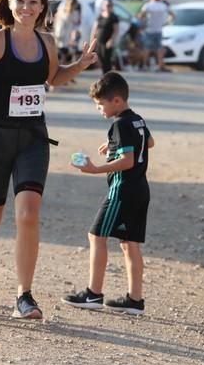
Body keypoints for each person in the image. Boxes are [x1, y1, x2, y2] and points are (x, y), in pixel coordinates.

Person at [0, 0, 98, 319]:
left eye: (33, 2)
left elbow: (52, 77)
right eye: (20, 1)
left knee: (29, 213)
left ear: (43, 7)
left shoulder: (46, 41)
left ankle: (25, 296)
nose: (26, 8)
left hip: (33, 138)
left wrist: (78, 66)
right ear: (9, 4)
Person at [62, 71, 154, 315]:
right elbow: (149, 143)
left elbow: (127, 160)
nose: (99, 109)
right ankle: (135, 300)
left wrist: (96, 169)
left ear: (116, 101)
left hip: (122, 189)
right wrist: (112, 145)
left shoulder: (120, 124)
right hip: (141, 189)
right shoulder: (137, 120)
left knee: (96, 235)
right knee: (129, 243)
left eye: (100, 104)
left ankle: (93, 294)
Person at [138, 0, 174, 72]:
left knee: (147, 49)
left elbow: (141, 16)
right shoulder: (163, 5)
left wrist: (143, 22)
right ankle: (160, 66)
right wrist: (167, 22)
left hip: (149, 30)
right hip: (159, 30)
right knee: (159, 49)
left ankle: (144, 65)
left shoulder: (148, 5)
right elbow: (172, 15)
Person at [91, 0, 120, 74]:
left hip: (107, 42)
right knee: (100, 59)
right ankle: (104, 75)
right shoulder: (100, 16)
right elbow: (94, 29)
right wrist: (92, 40)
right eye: (107, 5)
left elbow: (116, 30)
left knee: (107, 61)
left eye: (110, 5)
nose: (108, 7)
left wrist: (111, 40)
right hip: (99, 41)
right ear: (103, 6)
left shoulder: (114, 17)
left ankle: (108, 76)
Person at [53, 0, 82, 66]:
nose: (75, 7)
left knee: (66, 57)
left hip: (66, 38)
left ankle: (65, 71)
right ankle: (62, 71)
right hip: (62, 38)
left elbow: (76, 25)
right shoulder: (64, 12)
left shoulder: (71, 13)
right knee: (63, 56)